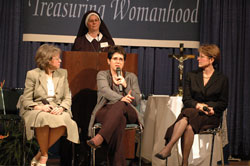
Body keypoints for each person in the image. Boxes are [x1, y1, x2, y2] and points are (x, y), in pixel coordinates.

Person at [155, 44, 228, 166]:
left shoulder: (222, 79)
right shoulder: (191, 76)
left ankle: (169, 147)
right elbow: (187, 99)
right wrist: (199, 106)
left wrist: (210, 108)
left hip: (211, 116)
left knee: (186, 115)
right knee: (188, 126)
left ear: (211, 59)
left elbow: (223, 103)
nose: (198, 59)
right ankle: (184, 163)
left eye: (201, 56)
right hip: (194, 113)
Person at [18, 44, 79, 166]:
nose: (60, 60)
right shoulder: (33, 74)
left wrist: (61, 108)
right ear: (47, 60)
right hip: (37, 107)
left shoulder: (63, 73)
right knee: (43, 118)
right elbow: (26, 99)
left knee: (66, 121)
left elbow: (67, 97)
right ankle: (45, 157)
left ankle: (40, 154)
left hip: (56, 107)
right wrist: (39, 107)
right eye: (57, 58)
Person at [86, 46, 143, 166]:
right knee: (119, 120)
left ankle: (100, 137)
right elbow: (105, 90)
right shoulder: (102, 75)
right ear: (108, 61)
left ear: (124, 62)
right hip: (105, 111)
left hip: (128, 111)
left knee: (121, 106)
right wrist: (121, 98)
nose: (118, 61)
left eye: (121, 59)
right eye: (115, 59)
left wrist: (126, 85)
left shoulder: (131, 77)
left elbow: (137, 100)